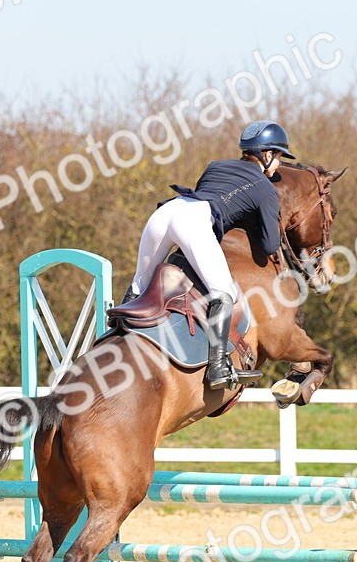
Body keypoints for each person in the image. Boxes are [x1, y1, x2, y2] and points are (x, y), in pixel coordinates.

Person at [125, 120, 295, 390]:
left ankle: (113, 339)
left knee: (139, 285)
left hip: (167, 211)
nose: (279, 166)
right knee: (223, 293)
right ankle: (218, 367)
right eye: (279, 157)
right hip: (194, 220)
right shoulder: (265, 188)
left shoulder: (215, 166)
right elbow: (270, 244)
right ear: (266, 155)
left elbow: (214, 197)